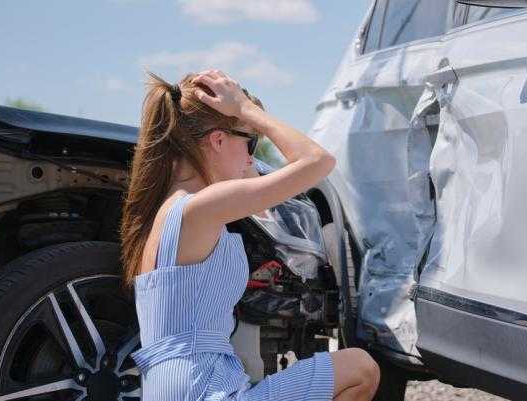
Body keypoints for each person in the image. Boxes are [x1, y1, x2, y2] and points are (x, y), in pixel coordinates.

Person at [119, 69, 381, 401]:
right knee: (360, 367)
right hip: (204, 388)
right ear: (217, 140)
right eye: (250, 142)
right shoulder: (202, 207)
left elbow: (252, 176)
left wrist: (240, 131)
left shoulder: (165, 213)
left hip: (175, 388)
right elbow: (317, 161)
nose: (251, 157)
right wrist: (246, 110)